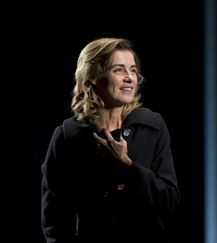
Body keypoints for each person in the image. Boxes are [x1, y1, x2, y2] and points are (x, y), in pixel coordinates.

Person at [41, 37, 180, 243]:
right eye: (119, 70)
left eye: (133, 70)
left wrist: (128, 167)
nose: (129, 78)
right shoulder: (67, 137)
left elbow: (169, 200)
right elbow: (54, 216)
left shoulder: (152, 127)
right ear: (92, 78)